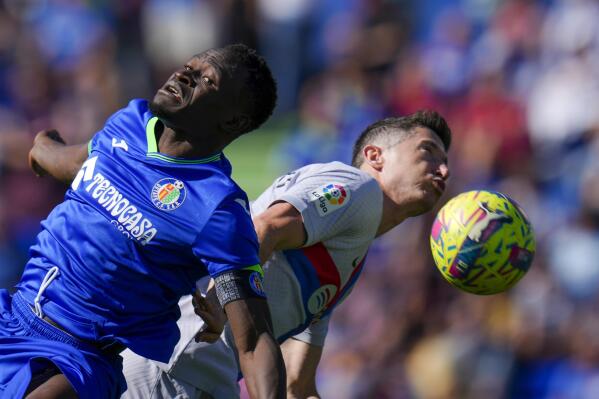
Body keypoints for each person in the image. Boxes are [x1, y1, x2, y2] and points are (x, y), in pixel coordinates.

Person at [0, 44, 286, 399]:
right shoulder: (129, 123)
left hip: (77, 360)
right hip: (13, 316)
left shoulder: (218, 208)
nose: (183, 75)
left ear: (232, 120)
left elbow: (255, 340)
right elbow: (78, 164)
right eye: (188, 67)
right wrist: (44, 148)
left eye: (206, 80)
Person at [115, 110, 452, 398]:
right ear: (375, 156)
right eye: (428, 152)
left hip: (195, 373)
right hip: (178, 363)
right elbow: (265, 229)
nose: (443, 171)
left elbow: (297, 382)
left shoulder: (350, 251)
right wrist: (217, 302)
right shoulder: (358, 189)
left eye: (445, 162)